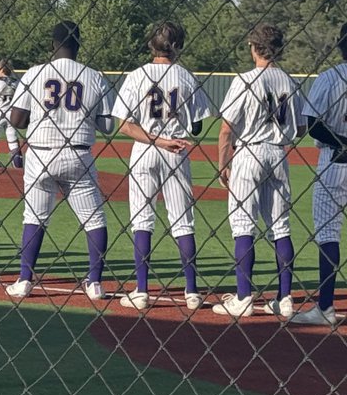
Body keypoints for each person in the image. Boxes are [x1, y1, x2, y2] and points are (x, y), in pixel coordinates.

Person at [5, 21, 114, 301]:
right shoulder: (94, 76)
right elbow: (107, 126)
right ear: (78, 44)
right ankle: (96, 283)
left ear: (53, 45)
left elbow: (16, 120)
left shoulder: (34, 73)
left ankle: (25, 280)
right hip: (78, 153)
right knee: (94, 219)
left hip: (40, 153)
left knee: (35, 218)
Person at [112, 22, 211, 311]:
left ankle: (141, 291)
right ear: (177, 45)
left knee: (142, 220)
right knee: (183, 221)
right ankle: (191, 292)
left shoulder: (137, 75)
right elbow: (197, 125)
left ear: (150, 44)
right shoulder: (185, 76)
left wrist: (155, 138)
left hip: (144, 149)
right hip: (177, 150)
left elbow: (124, 125)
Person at [213, 23, 308, 319]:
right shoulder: (289, 81)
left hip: (249, 153)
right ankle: (285, 298)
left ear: (254, 48)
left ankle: (243, 298)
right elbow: (302, 127)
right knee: (280, 226)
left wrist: (223, 163)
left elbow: (227, 128)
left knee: (243, 225)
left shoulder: (245, 79)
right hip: (278, 155)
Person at [293, 22, 347, 325]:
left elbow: (313, 124)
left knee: (328, 235)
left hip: (333, 163)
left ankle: (326, 308)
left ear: (339, 45)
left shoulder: (330, 77)